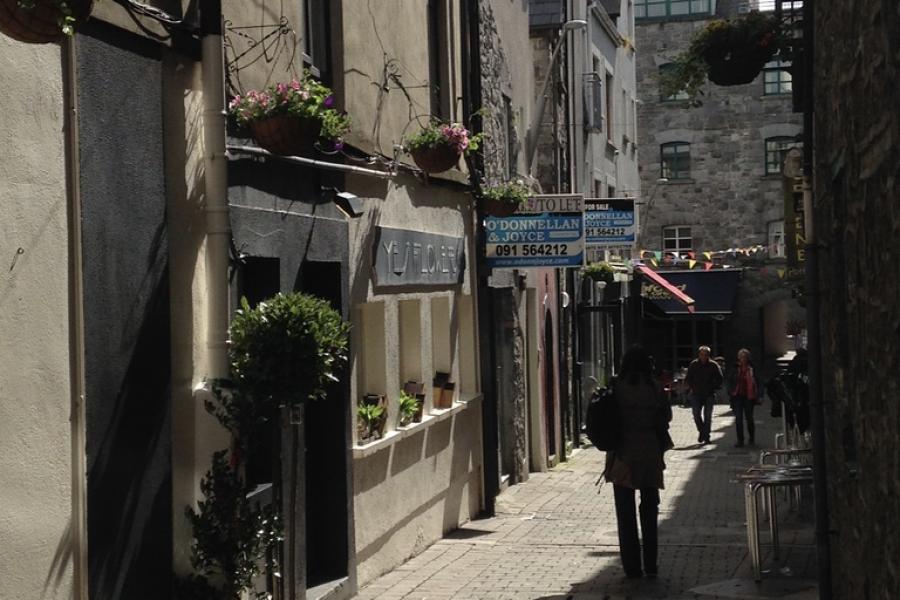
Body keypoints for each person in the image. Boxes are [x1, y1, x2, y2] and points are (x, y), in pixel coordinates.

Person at [604, 345, 672, 579]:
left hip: (622, 453)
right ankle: (651, 564)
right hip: (650, 451)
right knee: (650, 509)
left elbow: (608, 418)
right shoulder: (655, 387)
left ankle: (632, 566)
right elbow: (665, 419)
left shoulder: (617, 386)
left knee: (625, 513)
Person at [684, 345, 723, 445]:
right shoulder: (694, 364)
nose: (703, 357)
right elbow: (688, 378)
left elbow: (720, 378)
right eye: (701, 355)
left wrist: (713, 386)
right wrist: (693, 386)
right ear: (699, 355)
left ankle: (707, 436)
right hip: (696, 394)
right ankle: (702, 432)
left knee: (708, 416)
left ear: (708, 356)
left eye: (705, 355)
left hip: (709, 394)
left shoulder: (713, 365)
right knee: (696, 414)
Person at [727, 348, 762, 447]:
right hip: (737, 396)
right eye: (741, 357)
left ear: (748, 358)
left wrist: (760, 395)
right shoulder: (735, 367)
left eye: (745, 357)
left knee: (749, 418)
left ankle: (751, 438)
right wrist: (730, 391)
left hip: (749, 396)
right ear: (738, 358)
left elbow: (759, 382)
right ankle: (740, 440)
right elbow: (729, 380)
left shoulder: (752, 368)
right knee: (738, 418)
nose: (743, 359)